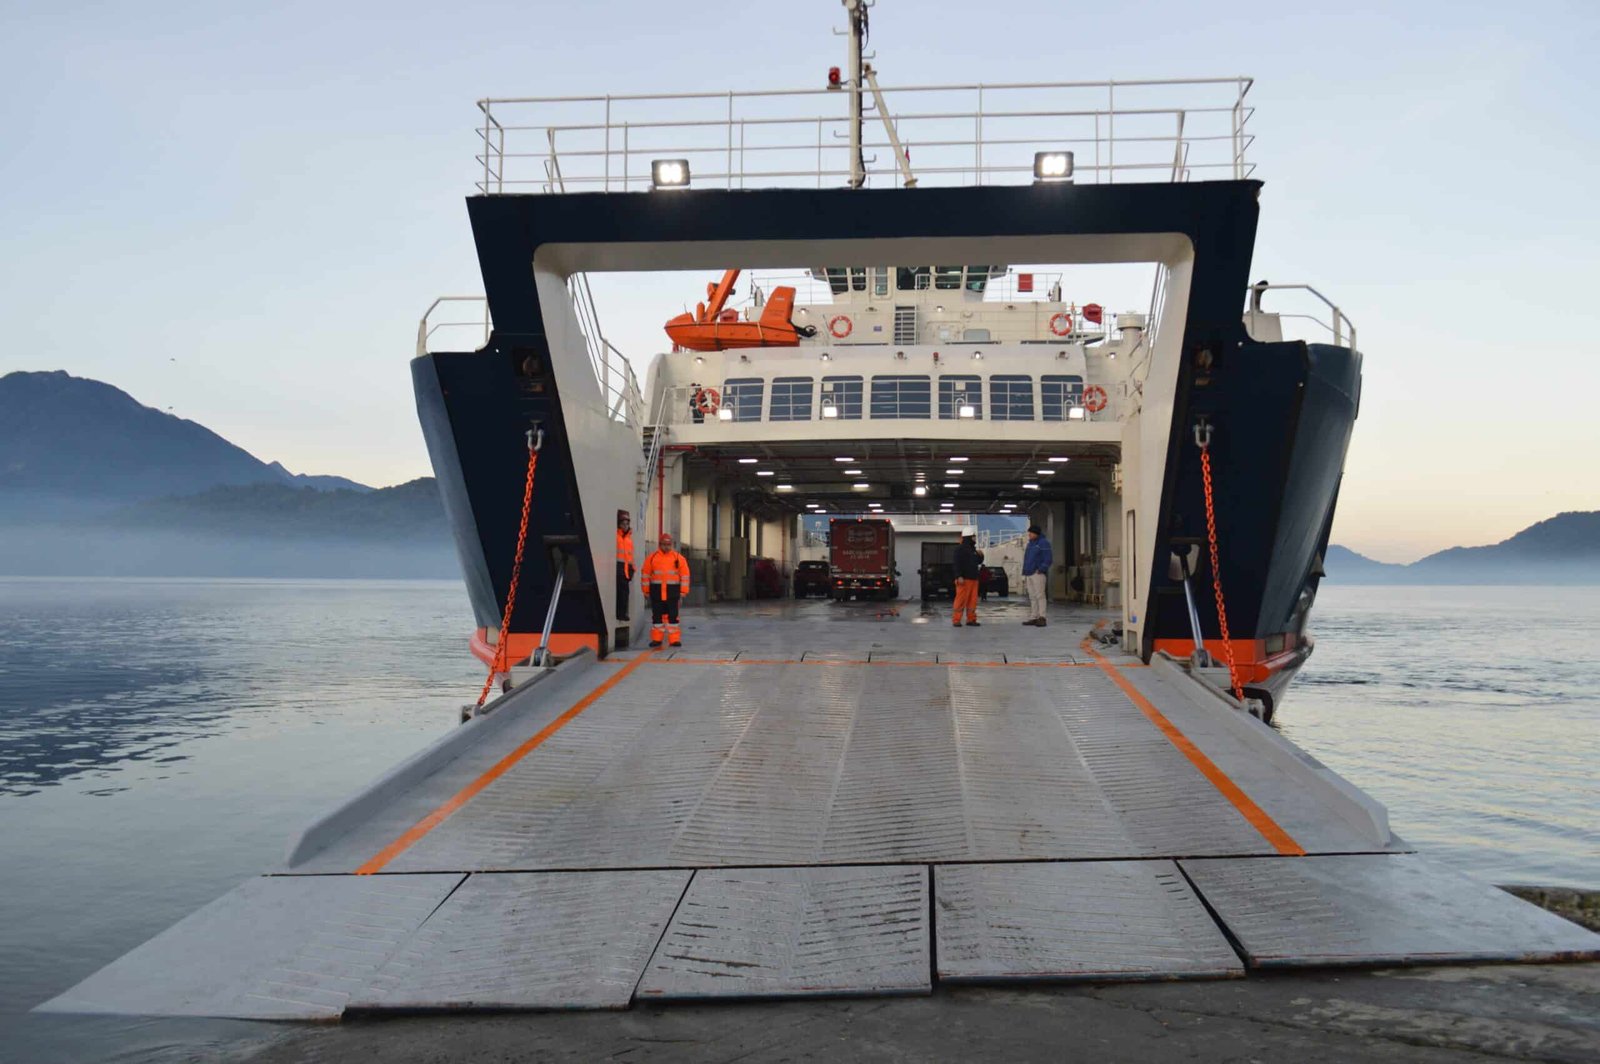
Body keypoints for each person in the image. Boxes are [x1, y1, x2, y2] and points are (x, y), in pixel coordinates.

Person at [643, 532, 691, 648]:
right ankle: (656, 639)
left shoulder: (679, 558)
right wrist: (646, 590)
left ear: (672, 545)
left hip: (672, 593)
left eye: (668, 545)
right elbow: (645, 574)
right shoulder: (652, 558)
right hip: (657, 592)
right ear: (660, 544)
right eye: (664, 544)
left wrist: (683, 591)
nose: (666, 547)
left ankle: (674, 640)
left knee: (673, 617)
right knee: (657, 617)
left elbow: (685, 575)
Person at [1022, 525, 1053, 626]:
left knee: (1040, 595)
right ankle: (1034, 616)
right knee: (1032, 596)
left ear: (1036, 533)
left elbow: (1048, 558)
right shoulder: (1030, 544)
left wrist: (1041, 569)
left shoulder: (1043, 543)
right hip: (1029, 573)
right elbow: (1027, 558)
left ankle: (1042, 617)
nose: (1029, 534)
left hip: (1037, 573)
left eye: (1030, 533)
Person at [952, 534, 982, 627]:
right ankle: (956, 620)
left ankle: (971, 619)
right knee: (960, 600)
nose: (975, 538)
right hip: (964, 579)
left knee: (972, 601)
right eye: (973, 537)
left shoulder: (973, 550)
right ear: (968, 537)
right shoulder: (960, 549)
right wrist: (959, 575)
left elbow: (977, 562)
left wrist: (980, 556)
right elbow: (956, 563)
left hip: (974, 579)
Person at [615, 511, 635, 622]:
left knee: (624, 594)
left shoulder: (628, 540)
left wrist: (632, 570)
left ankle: (622, 613)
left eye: (627, 523)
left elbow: (630, 556)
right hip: (618, 568)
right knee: (619, 594)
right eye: (623, 523)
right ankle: (619, 613)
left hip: (626, 570)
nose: (625, 526)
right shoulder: (616, 537)